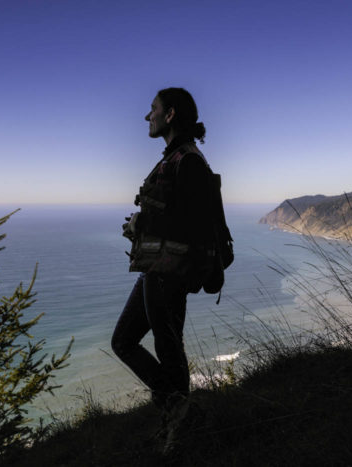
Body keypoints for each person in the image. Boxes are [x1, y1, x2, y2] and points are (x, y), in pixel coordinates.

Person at [111, 87, 213, 453]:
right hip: (158, 270)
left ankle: (181, 419)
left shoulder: (189, 161)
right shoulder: (176, 158)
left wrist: (142, 223)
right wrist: (144, 222)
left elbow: (192, 223)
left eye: (152, 109)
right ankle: (179, 410)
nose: (146, 116)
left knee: (168, 349)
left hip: (170, 273)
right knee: (125, 341)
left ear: (170, 115)